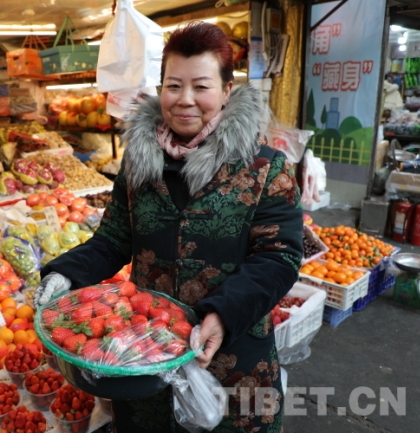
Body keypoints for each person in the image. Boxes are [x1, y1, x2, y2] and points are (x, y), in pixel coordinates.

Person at [34, 21, 303, 433]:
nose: (185, 101)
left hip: (233, 359)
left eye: (201, 86)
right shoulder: (141, 162)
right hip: (144, 353)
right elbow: (113, 240)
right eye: (173, 86)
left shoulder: (264, 168)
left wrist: (222, 316)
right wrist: (63, 273)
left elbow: (279, 257)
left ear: (228, 91)